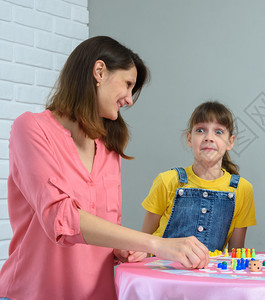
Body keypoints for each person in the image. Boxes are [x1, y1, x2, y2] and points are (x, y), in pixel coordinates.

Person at [0, 36, 208, 300]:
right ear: (99, 72)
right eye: (128, 84)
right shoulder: (30, 128)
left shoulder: (110, 147)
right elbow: (61, 218)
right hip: (33, 293)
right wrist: (157, 244)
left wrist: (120, 249)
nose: (130, 100)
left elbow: (104, 227)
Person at [141, 101, 257, 252]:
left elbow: (236, 254)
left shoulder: (242, 189)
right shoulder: (168, 181)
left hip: (210, 274)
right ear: (189, 139)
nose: (209, 137)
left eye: (219, 132)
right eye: (201, 130)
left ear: (230, 142)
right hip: (163, 270)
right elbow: (143, 242)